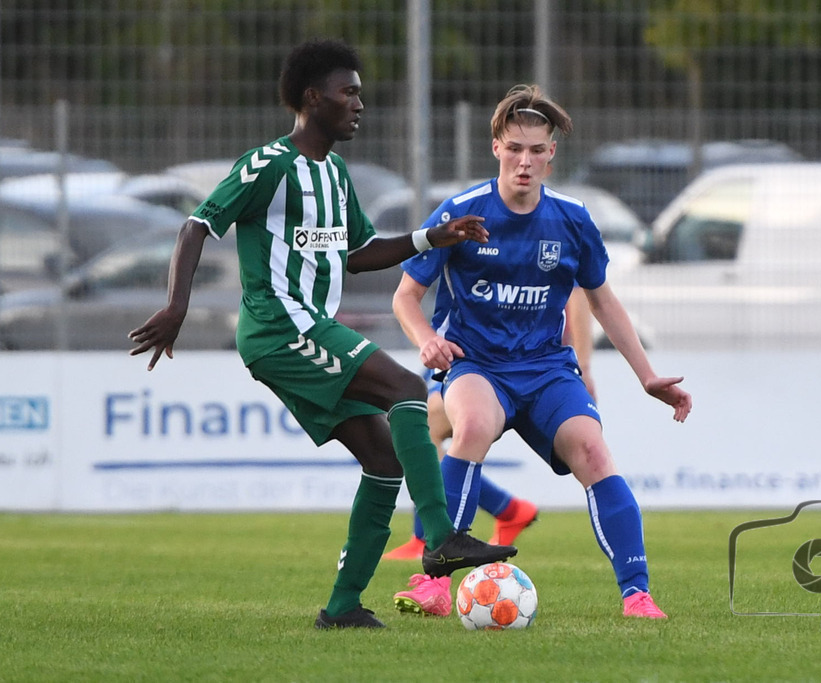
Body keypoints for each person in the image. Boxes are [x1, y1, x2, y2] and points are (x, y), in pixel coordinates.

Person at [127, 38, 517, 630]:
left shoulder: (335, 173)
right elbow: (195, 225)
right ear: (313, 98)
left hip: (313, 328)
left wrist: (432, 238)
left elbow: (359, 254)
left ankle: (341, 609)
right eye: (349, 92)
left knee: (385, 457)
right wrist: (177, 305)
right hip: (279, 327)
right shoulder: (269, 165)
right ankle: (441, 536)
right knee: (411, 388)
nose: (359, 103)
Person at [389, 84, 692, 620]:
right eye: (514, 148)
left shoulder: (572, 220)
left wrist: (647, 376)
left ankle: (637, 594)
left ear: (551, 155)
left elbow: (603, 301)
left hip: (547, 368)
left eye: (536, 150)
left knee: (595, 453)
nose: (524, 161)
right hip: (475, 363)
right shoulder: (462, 212)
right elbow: (406, 297)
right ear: (496, 149)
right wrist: (426, 340)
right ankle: (432, 581)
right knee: (473, 424)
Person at [383, 287, 593, 564]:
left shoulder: (549, 247)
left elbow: (579, 293)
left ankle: (430, 536)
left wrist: (584, 365)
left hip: (513, 359)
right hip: (463, 348)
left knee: (425, 427)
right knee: (419, 430)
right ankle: (506, 510)